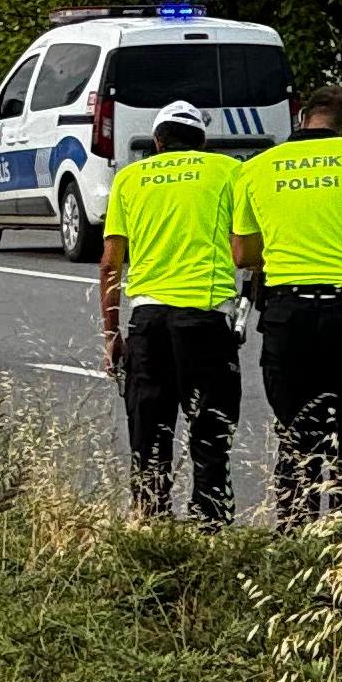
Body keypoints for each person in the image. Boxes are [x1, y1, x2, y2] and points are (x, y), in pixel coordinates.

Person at [231, 84, 342, 528]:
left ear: (303, 119)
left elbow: (244, 254)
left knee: (297, 439)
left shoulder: (255, 168)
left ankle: (296, 541)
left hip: (287, 315)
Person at [100, 99, 244, 524]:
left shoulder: (129, 178)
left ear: (158, 142)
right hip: (206, 317)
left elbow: (110, 263)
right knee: (210, 435)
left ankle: (150, 525)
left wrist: (112, 333)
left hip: (148, 322)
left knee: (148, 436)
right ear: (203, 142)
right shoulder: (229, 172)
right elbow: (246, 247)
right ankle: (210, 527)